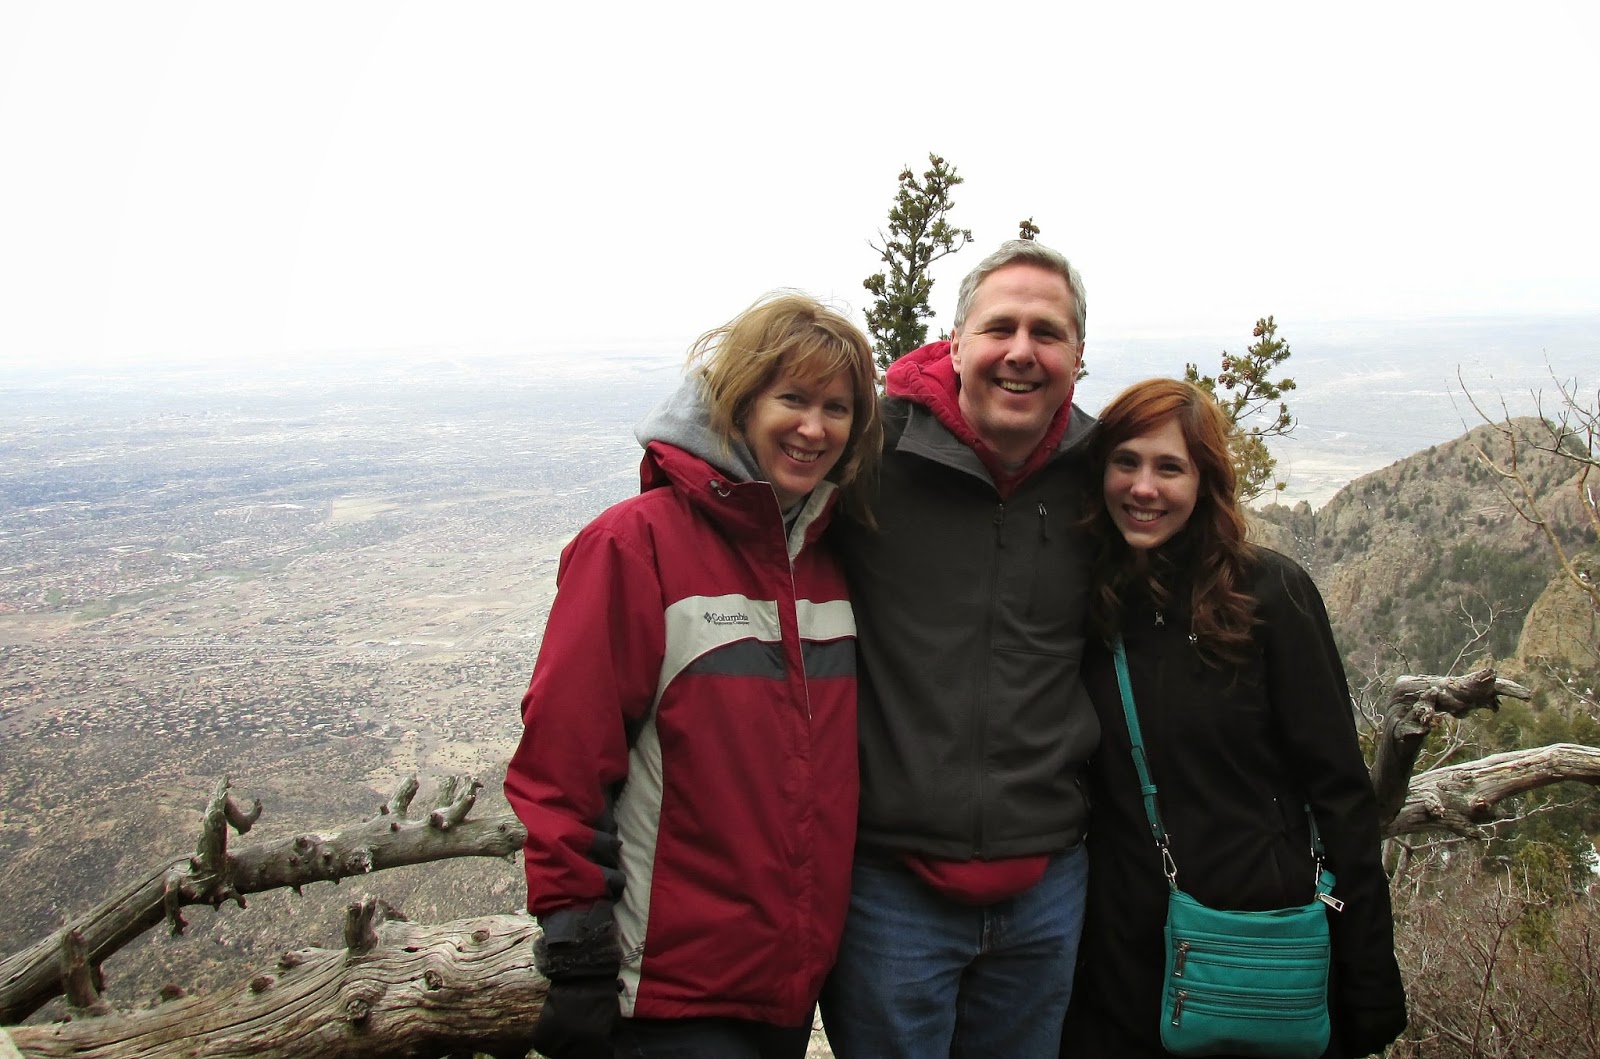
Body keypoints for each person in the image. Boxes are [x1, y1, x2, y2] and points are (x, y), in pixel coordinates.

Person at [503, 291, 883, 1059]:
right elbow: (563, 761)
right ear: (741, 402)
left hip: (786, 986)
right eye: (793, 398)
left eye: (837, 408)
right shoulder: (634, 544)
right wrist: (576, 944)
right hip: (669, 994)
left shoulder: (831, 559)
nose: (814, 428)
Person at [1062, 377, 1408, 1058]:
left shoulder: (1267, 594)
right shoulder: (1088, 601)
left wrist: (1368, 972)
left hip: (1256, 950)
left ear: (1205, 481)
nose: (1143, 487)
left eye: (1170, 467)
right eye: (1126, 462)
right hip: (1119, 965)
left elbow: (1340, 792)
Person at [819, 240, 1100, 1058]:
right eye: (1000, 328)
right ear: (955, 342)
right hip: (890, 887)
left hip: (1049, 883)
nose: (1022, 351)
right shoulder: (869, 454)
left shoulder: (1100, 478)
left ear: (1079, 354)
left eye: (1047, 333)